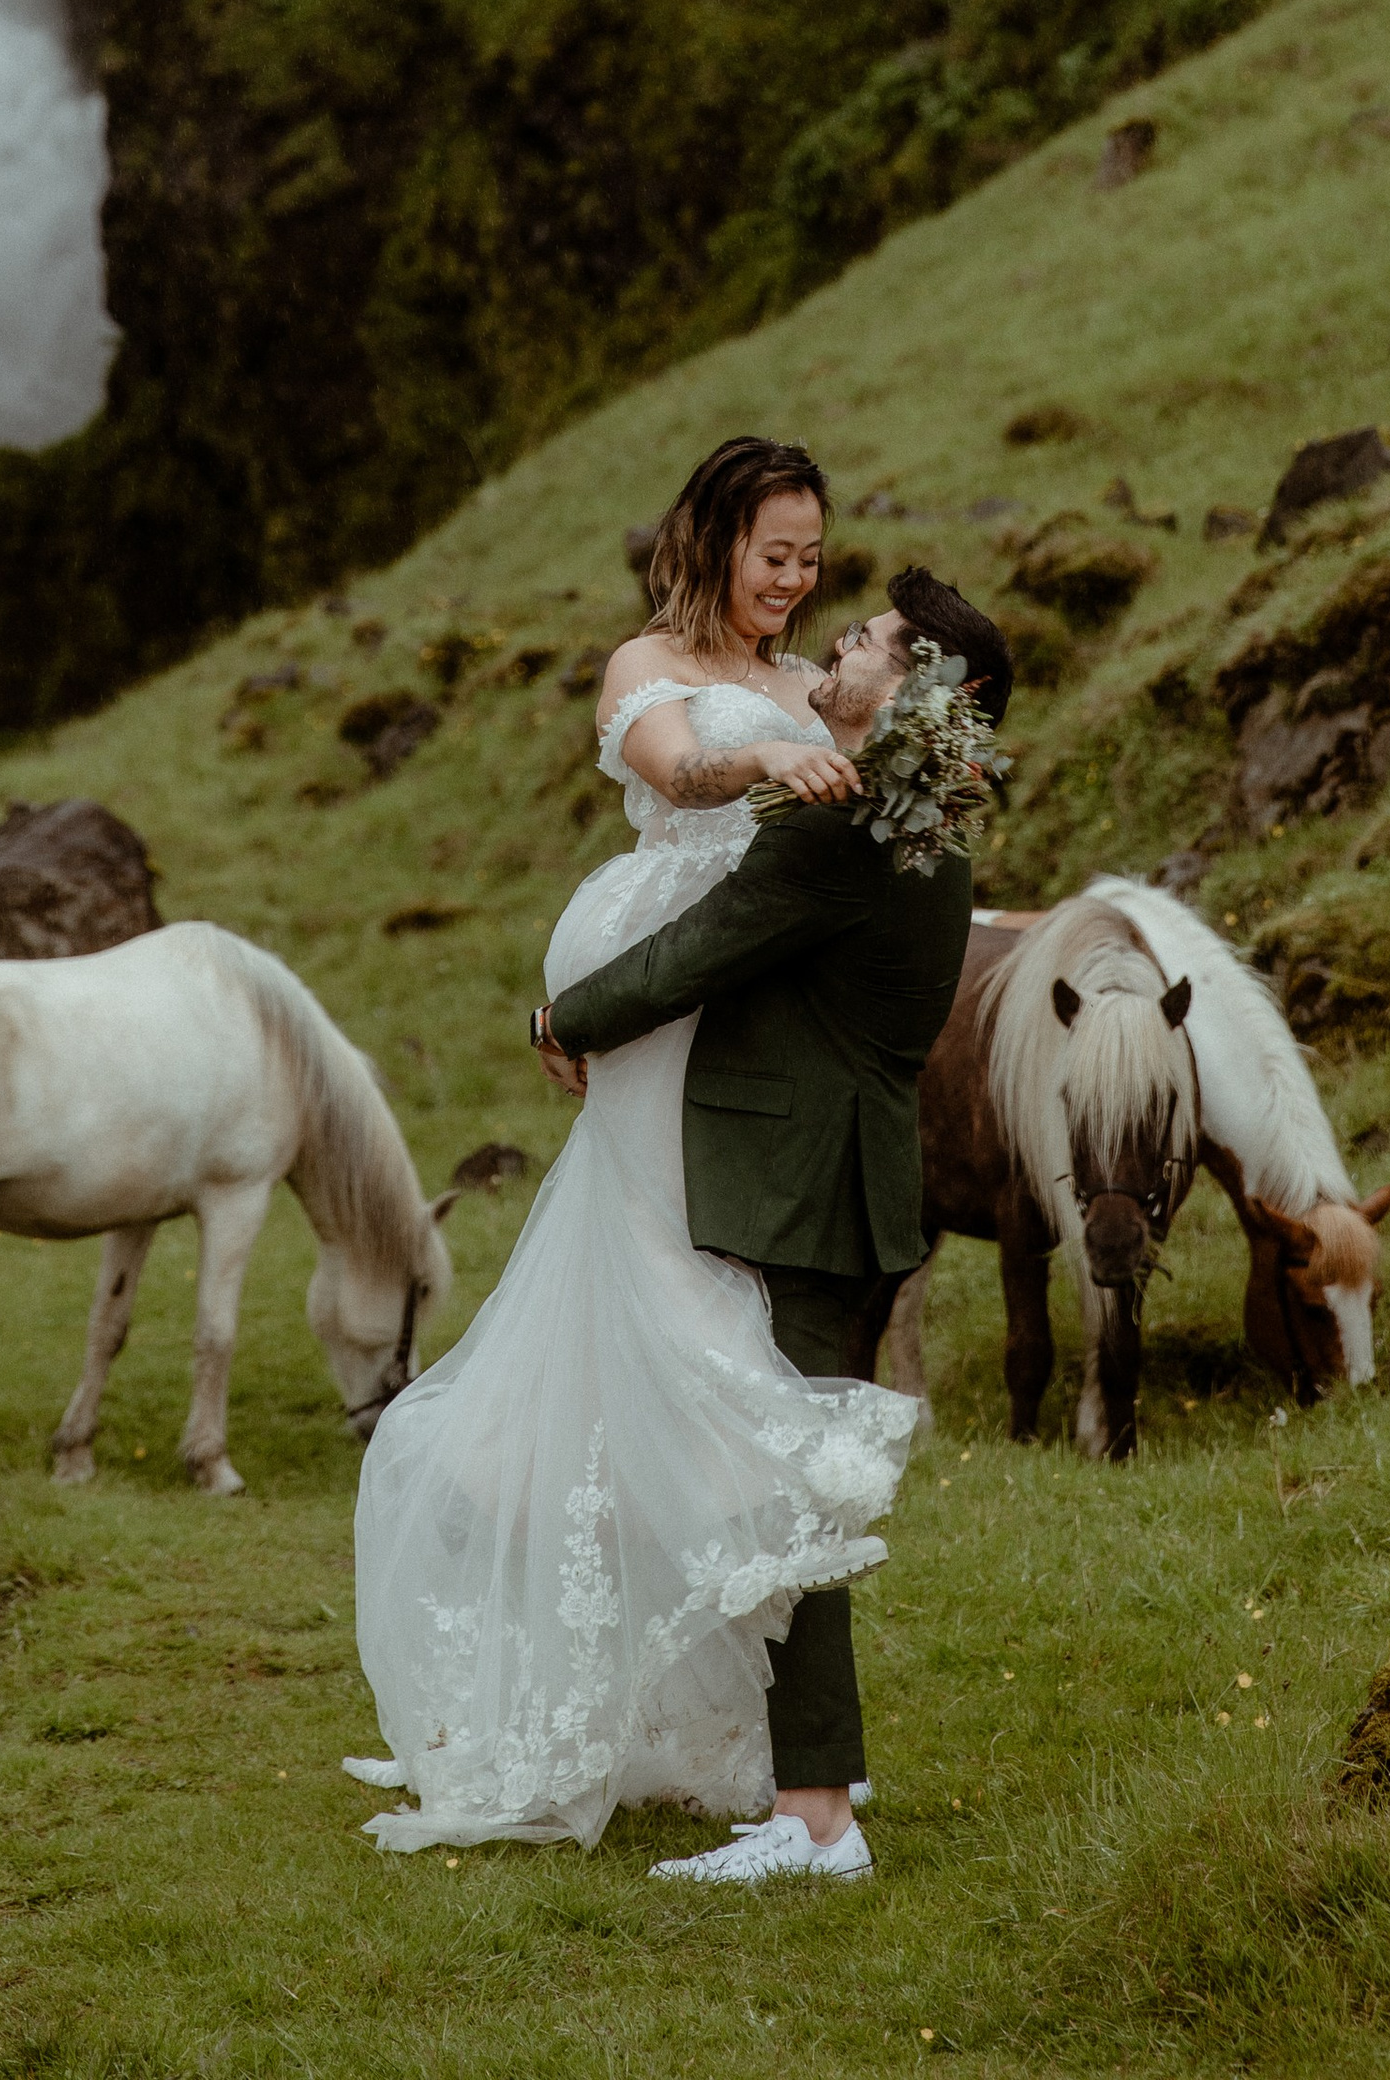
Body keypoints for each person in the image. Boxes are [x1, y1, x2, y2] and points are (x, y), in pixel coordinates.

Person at [345, 432, 1010, 1879]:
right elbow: (680, 780)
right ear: (711, 542)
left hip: (782, 1158)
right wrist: (766, 753)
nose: (814, 600)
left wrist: (563, 1015)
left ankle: (813, 1811)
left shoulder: (853, 811)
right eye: (781, 557)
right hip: (768, 1140)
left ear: (915, 694)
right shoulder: (872, 788)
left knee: (772, 1487)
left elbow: (719, 938)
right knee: (745, 1472)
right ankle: (773, 1771)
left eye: (843, 600)